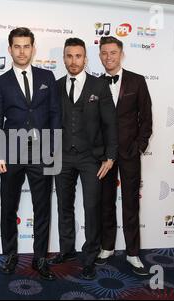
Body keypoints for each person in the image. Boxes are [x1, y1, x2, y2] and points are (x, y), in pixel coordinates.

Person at [0, 27, 61, 281]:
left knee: (42, 208)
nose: (22, 51)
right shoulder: (0, 82)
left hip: (42, 153)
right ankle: (10, 255)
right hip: (11, 152)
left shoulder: (47, 77)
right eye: (17, 46)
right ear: (10, 49)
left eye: (26, 46)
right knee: (8, 206)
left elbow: (55, 114)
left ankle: (40, 259)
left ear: (33, 48)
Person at [48, 38, 118, 280]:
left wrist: (110, 156)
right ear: (64, 58)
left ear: (85, 59)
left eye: (78, 56)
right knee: (64, 207)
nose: (73, 61)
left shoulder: (99, 86)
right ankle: (66, 250)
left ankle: (89, 258)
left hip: (91, 159)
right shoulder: (55, 86)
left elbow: (110, 123)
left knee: (91, 208)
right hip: (63, 157)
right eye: (69, 56)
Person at [95, 36, 152, 276]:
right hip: (103, 155)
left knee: (130, 203)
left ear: (121, 54)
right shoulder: (94, 83)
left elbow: (146, 117)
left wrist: (139, 145)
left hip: (129, 152)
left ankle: (133, 253)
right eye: (104, 53)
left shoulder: (137, 81)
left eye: (113, 53)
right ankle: (107, 247)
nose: (109, 57)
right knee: (105, 202)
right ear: (100, 56)